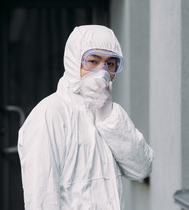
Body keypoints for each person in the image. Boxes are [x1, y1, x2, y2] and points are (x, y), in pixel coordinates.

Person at [17, 25, 154, 210]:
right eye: (93, 61)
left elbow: (141, 169)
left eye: (110, 64)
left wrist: (108, 117)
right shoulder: (50, 113)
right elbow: (42, 197)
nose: (102, 71)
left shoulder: (113, 113)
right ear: (74, 61)